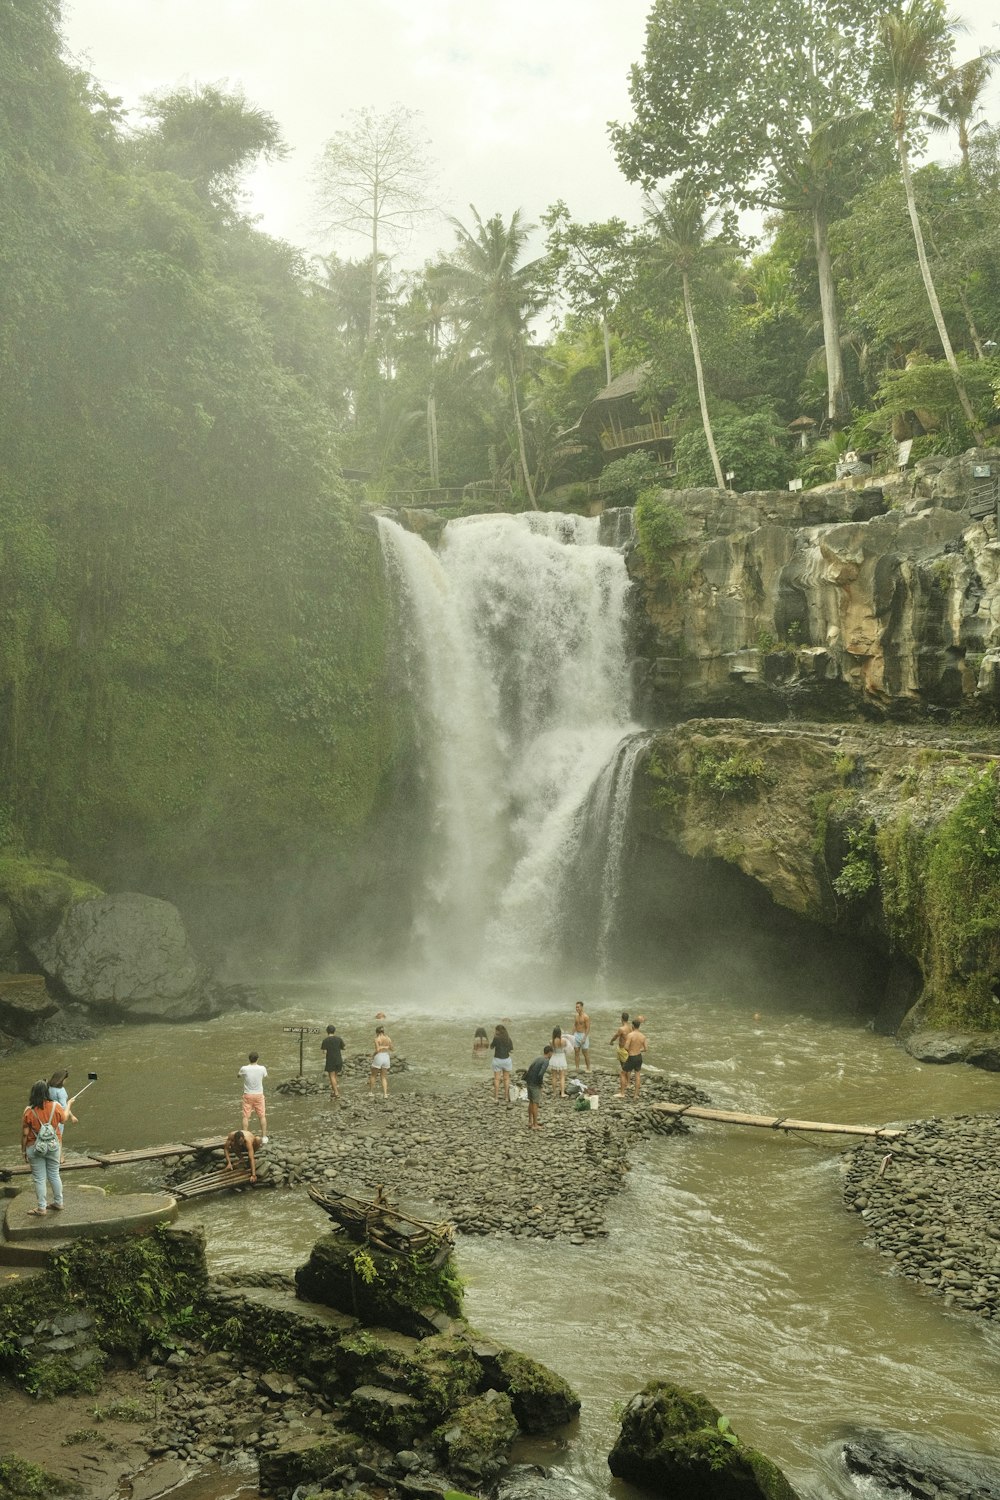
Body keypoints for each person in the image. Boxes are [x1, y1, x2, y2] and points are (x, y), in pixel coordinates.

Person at [21, 1079, 69, 1215]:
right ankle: (59, 1202)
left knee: (39, 1178)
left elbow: (25, 1134)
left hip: (34, 1147)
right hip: (54, 1146)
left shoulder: (29, 1111)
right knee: (54, 1174)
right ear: (47, 1092)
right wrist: (69, 1105)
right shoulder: (56, 1106)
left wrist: (23, 1151)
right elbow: (64, 1120)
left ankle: (41, 1208)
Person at [47, 1069, 79, 1152]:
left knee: (49, 1135)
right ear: (62, 1079)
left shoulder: (48, 1087)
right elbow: (64, 1106)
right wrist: (72, 1116)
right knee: (58, 1136)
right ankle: (60, 1157)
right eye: (65, 1079)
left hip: (48, 1114)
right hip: (58, 1116)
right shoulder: (61, 1091)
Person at [239, 1052, 268, 1140]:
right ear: (257, 1059)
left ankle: (245, 1136)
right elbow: (266, 1076)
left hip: (248, 1094)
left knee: (246, 1116)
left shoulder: (244, 1068)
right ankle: (264, 1136)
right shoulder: (262, 1068)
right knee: (262, 1116)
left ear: (249, 1059)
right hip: (259, 1094)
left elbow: (238, 1075)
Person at [525, 1047, 553, 1129]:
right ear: (549, 1053)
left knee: (531, 1101)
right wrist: (540, 1085)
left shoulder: (538, 1058)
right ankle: (535, 1124)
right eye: (552, 1053)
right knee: (535, 1103)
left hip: (529, 1081)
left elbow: (530, 1068)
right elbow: (541, 1074)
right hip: (535, 1084)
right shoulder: (546, 1061)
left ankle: (530, 1121)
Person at [621, 1020, 648, 1099]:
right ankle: (636, 1095)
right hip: (639, 1057)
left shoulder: (630, 1035)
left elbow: (626, 1047)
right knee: (637, 1075)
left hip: (632, 1056)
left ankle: (622, 1093)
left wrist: (630, 1051)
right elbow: (646, 1049)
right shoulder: (643, 1036)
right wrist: (639, 1050)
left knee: (622, 1073)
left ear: (632, 1026)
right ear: (639, 1026)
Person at [489, 1024, 514, 1103]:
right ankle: (506, 1097)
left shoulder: (496, 1038)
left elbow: (491, 1047)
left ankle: (496, 1098)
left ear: (498, 1031)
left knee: (497, 1079)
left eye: (495, 1030)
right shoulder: (508, 1039)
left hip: (497, 1060)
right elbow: (511, 1050)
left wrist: (494, 1036)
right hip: (506, 1060)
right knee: (506, 1078)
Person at [320, 1025, 345, 1098]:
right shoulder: (339, 1039)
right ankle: (334, 1090)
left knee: (331, 1076)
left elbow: (324, 1052)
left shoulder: (325, 1040)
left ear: (327, 1031)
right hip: (339, 1059)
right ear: (334, 1031)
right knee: (335, 1075)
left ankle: (336, 1093)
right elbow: (343, 1047)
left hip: (331, 1060)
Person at [370, 1025, 393, 1097]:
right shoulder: (388, 1038)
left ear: (377, 1032)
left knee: (373, 1075)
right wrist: (386, 1047)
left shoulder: (377, 1039)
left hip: (379, 1056)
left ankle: (371, 1092)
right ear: (383, 1032)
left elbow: (377, 1050)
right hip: (386, 1056)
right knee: (383, 1077)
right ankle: (385, 1094)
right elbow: (392, 1048)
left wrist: (373, 1055)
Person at [548, 1026, 571, 1096]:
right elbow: (567, 1049)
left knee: (554, 1076)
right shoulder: (563, 1041)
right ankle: (562, 1093)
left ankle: (554, 1092)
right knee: (562, 1076)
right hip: (561, 1058)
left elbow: (550, 1050)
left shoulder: (551, 1041)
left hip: (554, 1058)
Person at [570, 1002, 591, 1071]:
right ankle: (577, 1067)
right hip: (576, 1034)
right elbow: (575, 1025)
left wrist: (584, 1038)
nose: (577, 1008)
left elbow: (588, 1028)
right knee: (576, 1051)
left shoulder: (586, 1017)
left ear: (582, 1007)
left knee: (585, 1053)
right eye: (576, 1007)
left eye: (578, 1007)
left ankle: (588, 1068)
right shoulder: (576, 1016)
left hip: (583, 1034)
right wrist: (571, 1035)